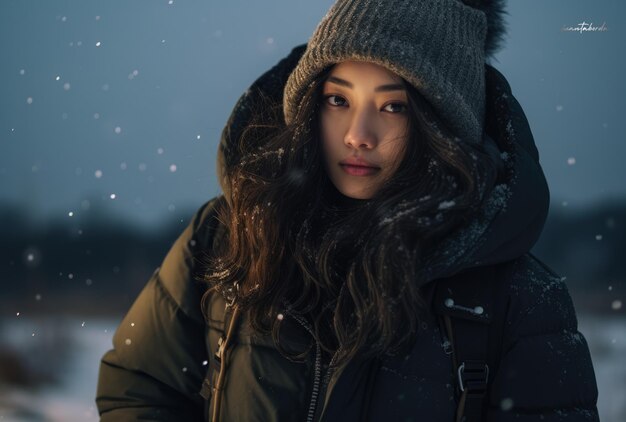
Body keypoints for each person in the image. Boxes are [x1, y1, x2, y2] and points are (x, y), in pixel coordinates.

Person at [96, 0, 599, 421]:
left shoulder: (518, 299)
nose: (358, 134)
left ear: (443, 126)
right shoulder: (229, 234)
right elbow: (138, 385)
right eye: (338, 99)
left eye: (393, 106)